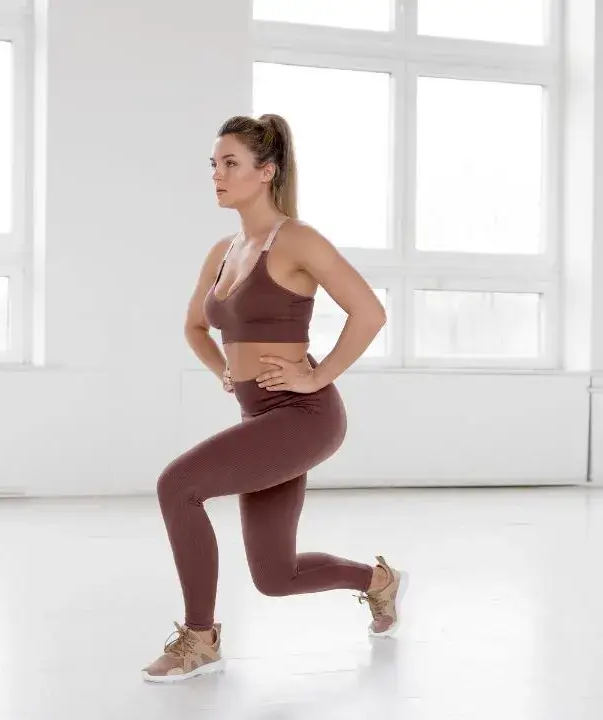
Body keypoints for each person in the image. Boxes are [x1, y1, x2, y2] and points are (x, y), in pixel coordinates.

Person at [142, 113, 408, 684]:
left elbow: (370, 312)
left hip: (303, 416)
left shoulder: (297, 240)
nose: (216, 174)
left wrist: (319, 376)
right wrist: (223, 371)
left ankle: (199, 638)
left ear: (266, 171)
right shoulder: (222, 251)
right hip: (257, 416)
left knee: (177, 485)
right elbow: (195, 326)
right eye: (213, 163)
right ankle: (378, 581)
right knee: (274, 576)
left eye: (230, 163)